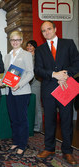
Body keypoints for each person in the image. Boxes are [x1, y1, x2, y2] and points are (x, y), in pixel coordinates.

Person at [35, 21, 79, 165]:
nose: (46, 32)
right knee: (49, 120)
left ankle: (67, 151)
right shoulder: (40, 50)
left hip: (66, 87)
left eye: (49, 29)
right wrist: (54, 74)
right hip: (48, 89)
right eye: (43, 31)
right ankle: (49, 148)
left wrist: (65, 74)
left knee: (66, 120)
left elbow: (77, 63)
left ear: (55, 29)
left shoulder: (68, 44)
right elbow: (38, 70)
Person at [0, 30, 34, 156]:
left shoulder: (26, 55)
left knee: (22, 119)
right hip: (9, 92)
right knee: (13, 119)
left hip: (22, 92)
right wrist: (2, 82)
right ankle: (16, 140)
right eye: (12, 40)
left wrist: (19, 85)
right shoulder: (7, 56)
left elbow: (30, 73)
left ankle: (22, 144)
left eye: (17, 40)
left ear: (21, 41)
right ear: (10, 41)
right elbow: (6, 74)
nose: (15, 42)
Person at [26, 40, 43, 132]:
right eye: (27, 46)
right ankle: (31, 125)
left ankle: (38, 127)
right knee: (29, 105)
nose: (29, 47)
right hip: (26, 84)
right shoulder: (25, 57)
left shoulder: (38, 57)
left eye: (31, 46)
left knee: (37, 105)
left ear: (34, 47)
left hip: (36, 82)